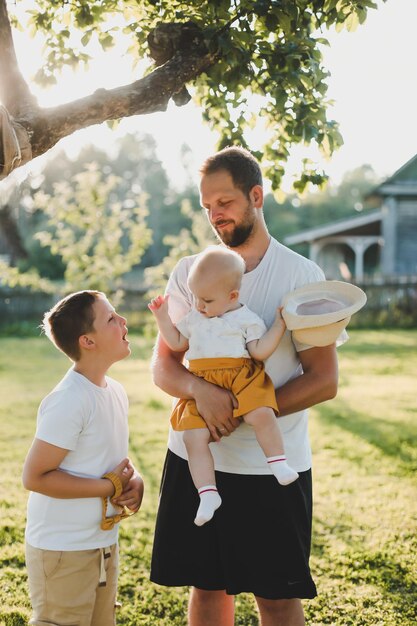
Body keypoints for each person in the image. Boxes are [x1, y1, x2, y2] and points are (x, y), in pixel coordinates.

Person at [149, 146, 342, 626]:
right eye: (207, 205)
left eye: (225, 202)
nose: (215, 214)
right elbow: (165, 367)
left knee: (277, 598)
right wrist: (201, 395)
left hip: (271, 465)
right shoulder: (188, 273)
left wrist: (240, 409)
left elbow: (323, 380)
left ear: (256, 196)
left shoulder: (302, 276)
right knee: (208, 590)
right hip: (200, 463)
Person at [148, 246, 299, 527]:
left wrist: (279, 326)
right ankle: (208, 493)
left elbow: (259, 351)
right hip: (203, 380)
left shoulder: (245, 318)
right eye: (195, 297)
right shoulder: (195, 318)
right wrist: (162, 318)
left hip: (240, 376)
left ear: (232, 296)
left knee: (262, 414)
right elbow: (177, 343)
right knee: (192, 437)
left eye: (206, 300)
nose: (199, 305)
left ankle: (277, 461)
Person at [22, 290, 144, 626]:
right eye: (111, 318)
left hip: (102, 543)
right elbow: (35, 477)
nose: (123, 321)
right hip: (63, 549)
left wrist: (134, 482)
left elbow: (108, 459)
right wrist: (107, 488)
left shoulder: (114, 392)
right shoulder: (69, 400)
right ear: (87, 341)